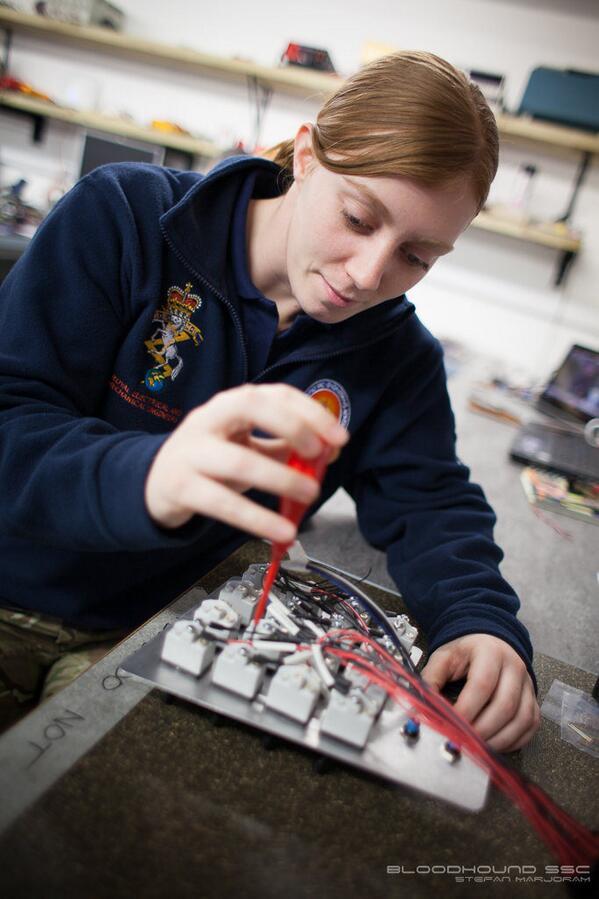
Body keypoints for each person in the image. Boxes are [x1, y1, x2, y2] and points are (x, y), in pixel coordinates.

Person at [0, 50, 540, 748]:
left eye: (416, 257)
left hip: (159, 628)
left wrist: (480, 619)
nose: (369, 274)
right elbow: (11, 417)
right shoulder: (123, 218)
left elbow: (431, 505)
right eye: (357, 217)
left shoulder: (396, 358)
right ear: (309, 154)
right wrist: (147, 475)